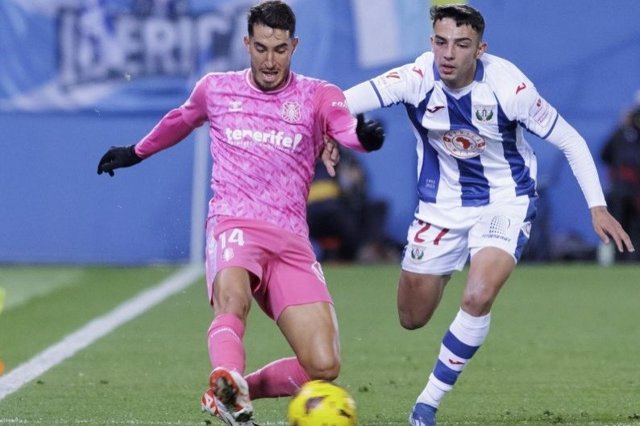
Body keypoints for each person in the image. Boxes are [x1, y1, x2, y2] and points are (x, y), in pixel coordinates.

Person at [341, 4, 635, 425]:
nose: (448, 53)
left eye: (461, 45)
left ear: (480, 49)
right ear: (431, 43)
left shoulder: (509, 88)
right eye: (441, 42)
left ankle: (426, 405)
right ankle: (446, 266)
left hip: (504, 200)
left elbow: (570, 140)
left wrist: (597, 206)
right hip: (439, 208)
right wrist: (334, 135)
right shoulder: (414, 78)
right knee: (412, 318)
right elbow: (341, 102)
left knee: (478, 296)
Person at [97, 1, 384, 425]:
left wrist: (360, 138)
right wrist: (135, 152)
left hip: (289, 238)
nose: (271, 60)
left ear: (295, 46)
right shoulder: (216, 88)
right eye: (262, 48)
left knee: (323, 367)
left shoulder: (317, 94)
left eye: (281, 49)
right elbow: (181, 119)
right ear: (247, 43)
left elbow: (342, 124)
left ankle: (232, 389)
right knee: (233, 298)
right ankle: (226, 375)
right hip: (234, 223)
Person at [307, 147, 400, 263]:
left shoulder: (343, 157)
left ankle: (371, 248)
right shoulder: (334, 156)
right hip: (325, 213)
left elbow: (358, 190)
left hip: (313, 214)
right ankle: (366, 249)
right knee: (354, 215)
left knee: (377, 208)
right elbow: (355, 191)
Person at [600, 105, 640, 262]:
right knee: (619, 226)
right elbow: (605, 154)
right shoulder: (620, 134)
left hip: (631, 190)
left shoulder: (623, 133)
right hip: (622, 190)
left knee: (633, 228)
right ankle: (619, 260)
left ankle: (631, 259)